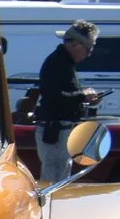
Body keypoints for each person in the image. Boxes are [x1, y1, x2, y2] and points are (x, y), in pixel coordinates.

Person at [35, 21, 102, 183]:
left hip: (61, 130)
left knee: (61, 175)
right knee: (52, 179)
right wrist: (82, 96)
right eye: (88, 48)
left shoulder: (65, 63)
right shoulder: (57, 63)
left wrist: (87, 100)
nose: (89, 53)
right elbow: (54, 96)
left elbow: (66, 96)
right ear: (75, 45)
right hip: (54, 130)